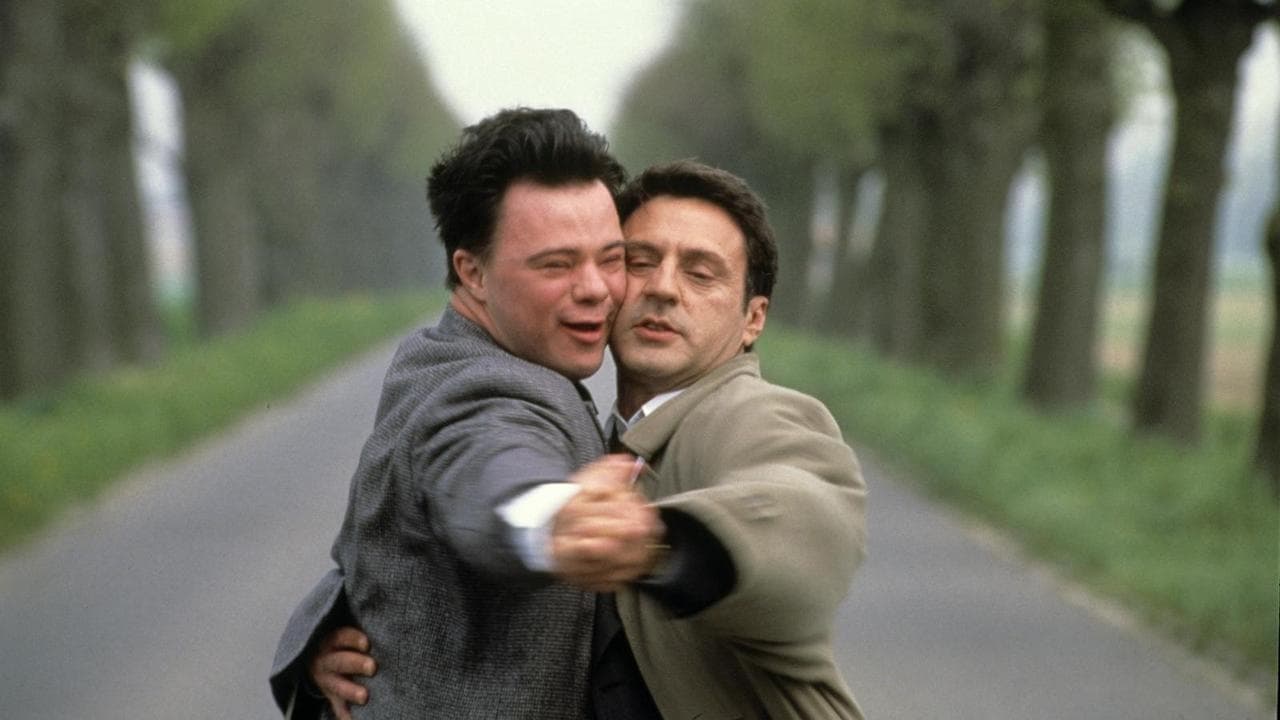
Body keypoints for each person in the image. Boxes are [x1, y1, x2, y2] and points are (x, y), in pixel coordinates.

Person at [302, 160, 869, 719]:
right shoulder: (597, 438)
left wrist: (660, 542)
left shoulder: (760, 417)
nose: (663, 288)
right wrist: (335, 638)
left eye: (701, 274)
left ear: (753, 319)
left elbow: (805, 517)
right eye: (639, 262)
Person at [269, 107, 669, 719]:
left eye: (611, 258)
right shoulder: (480, 390)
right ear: (472, 272)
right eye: (557, 264)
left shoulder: (437, 354)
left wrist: (325, 625)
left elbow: (391, 541)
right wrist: (553, 520)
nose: (595, 288)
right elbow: (486, 471)